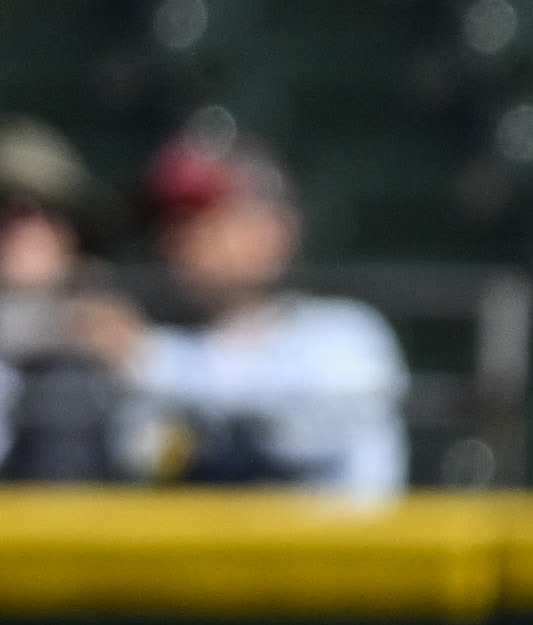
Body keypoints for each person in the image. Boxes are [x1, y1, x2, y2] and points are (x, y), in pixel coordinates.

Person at [74, 125, 404, 497]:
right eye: (170, 223)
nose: (179, 240)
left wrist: (151, 362)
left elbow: (296, 434)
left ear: (276, 230)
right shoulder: (166, 349)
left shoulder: (345, 335)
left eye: (204, 217)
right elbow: (140, 461)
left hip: (337, 553)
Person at [0, 120, 121, 482]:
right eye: (7, 209)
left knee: (66, 387)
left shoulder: (123, 333)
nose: (24, 228)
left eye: (45, 211)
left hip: (90, 528)